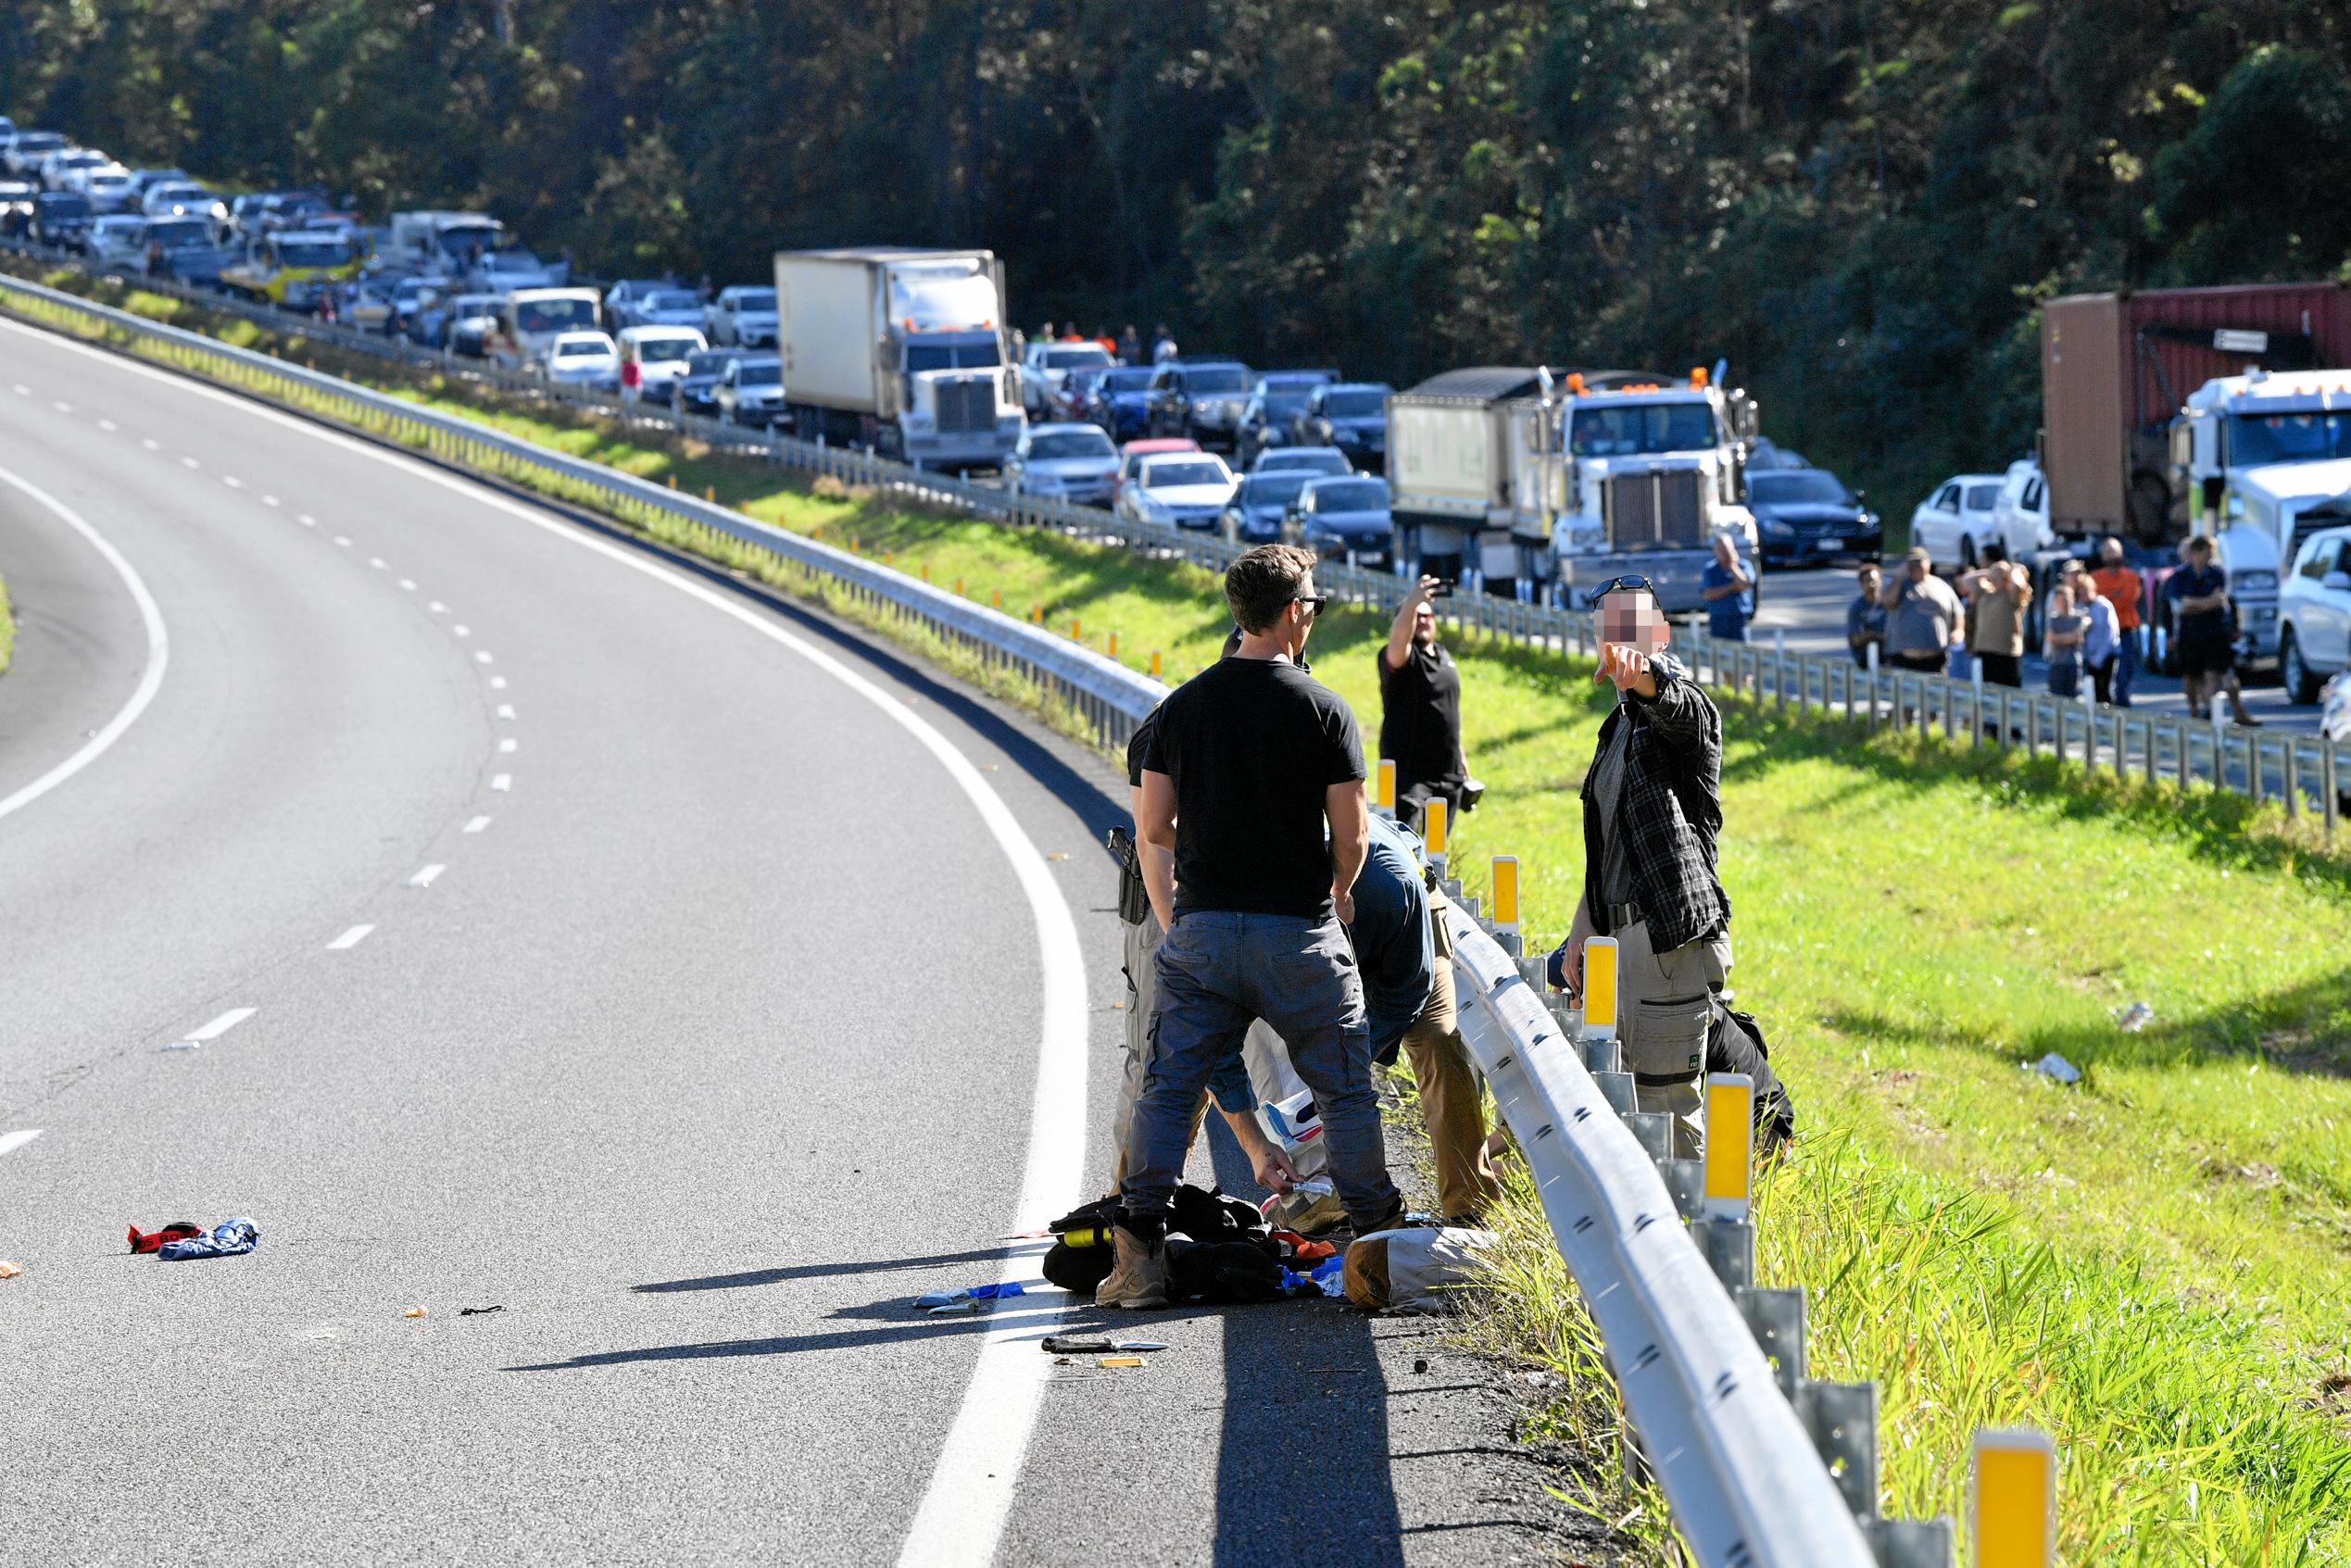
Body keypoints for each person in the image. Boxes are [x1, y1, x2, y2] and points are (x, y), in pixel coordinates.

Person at [1108, 546, 1403, 1307]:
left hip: (1204, 934)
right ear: (1294, 611)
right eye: (1313, 606)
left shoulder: (1181, 708)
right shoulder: (1325, 709)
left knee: (1168, 1094)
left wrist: (1194, 895)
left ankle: (1137, 1260)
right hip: (1298, 934)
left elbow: (1154, 826)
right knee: (1343, 1093)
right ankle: (1374, 1250)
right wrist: (1336, 892)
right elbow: (1354, 837)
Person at [1551, 576, 1732, 1158]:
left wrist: (1650, 681)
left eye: (1632, 628)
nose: (1620, 642)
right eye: (1611, 629)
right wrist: (1583, 929)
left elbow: (1684, 713)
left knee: (1669, 1125)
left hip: (1665, 945)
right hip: (1617, 943)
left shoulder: (1679, 707)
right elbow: (1609, 846)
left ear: (1661, 633)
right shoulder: (1618, 725)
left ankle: (1698, 1244)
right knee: (1621, 1118)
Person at [1113, 671, 1299, 1196]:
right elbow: (1154, 842)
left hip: (1243, 911)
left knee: (1278, 1053)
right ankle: (1127, 1211)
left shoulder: (1281, 716)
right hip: (1166, 911)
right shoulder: (1170, 724)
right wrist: (1180, 940)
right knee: (1161, 1060)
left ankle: (1305, 1197)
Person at [1378, 576, 1467, 833]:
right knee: (1406, 850)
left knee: (1437, 857)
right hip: (1411, 778)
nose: (1423, 620)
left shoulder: (1444, 656)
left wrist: (1460, 756)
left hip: (1447, 776)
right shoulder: (1400, 658)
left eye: (1428, 615)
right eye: (1416, 616)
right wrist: (1413, 601)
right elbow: (1398, 641)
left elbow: (1447, 710)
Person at [2165, 535, 2256, 722]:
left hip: (2215, 631)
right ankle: (2194, 711)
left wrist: (2196, 604)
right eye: (2207, 554)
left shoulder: (2218, 573)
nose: (2210, 558)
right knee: (2191, 678)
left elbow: (2221, 599)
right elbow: (2182, 604)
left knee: (2213, 674)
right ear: (2196, 553)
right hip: (2190, 633)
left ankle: (2212, 713)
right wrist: (2207, 603)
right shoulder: (2180, 576)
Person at [1880, 546, 1962, 674]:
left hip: (1936, 659)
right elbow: (1888, 602)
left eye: (1919, 561)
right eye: (1911, 563)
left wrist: (1958, 630)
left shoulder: (1941, 585)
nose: (1915, 566)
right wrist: (1898, 578)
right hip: (1902, 659)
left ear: (1928, 563)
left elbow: (1957, 611)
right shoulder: (1898, 585)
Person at [1958, 542, 2029, 686]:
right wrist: (1989, 572)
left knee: (2009, 691)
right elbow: (1966, 580)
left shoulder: (2012, 596)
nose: (1997, 577)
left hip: (2007, 652)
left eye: (2000, 575)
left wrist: (2012, 570)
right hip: (1984, 650)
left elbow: (2019, 584)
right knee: (1986, 692)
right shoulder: (1984, 593)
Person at [2089, 537, 2144, 707]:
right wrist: (2114, 597)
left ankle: (2123, 704)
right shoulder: (2094, 578)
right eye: (2108, 551)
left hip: (2125, 631)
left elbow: (2126, 600)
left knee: (2124, 673)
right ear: (2102, 555)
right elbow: (2094, 601)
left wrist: (2107, 599)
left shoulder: (2132, 577)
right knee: (2102, 674)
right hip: (2102, 634)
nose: (2111, 554)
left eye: (2114, 550)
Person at [2065, 561, 2119, 704]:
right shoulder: (2082, 608)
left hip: (2106, 655)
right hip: (2090, 657)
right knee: (2092, 692)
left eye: (2085, 591)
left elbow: (2110, 635)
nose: (2083, 594)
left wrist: (2099, 658)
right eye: (2080, 592)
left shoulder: (2103, 606)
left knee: (2106, 691)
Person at [1700, 533, 1753, 643]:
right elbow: (1708, 594)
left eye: (1726, 548)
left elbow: (1745, 585)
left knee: (1741, 653)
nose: (1723, 552)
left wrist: (1733, 566)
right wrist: (1732, 587)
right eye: (1720, 549)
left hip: (1738, 619)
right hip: (1718, 619)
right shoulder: (1710, 568)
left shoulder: (1744, 565)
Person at [2043, 583, 2084, 697]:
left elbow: (2077, 638)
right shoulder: (2053, 619)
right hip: (2057, 663)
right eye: (2062, 600)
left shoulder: (2078, 618)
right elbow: (2051, 638)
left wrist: (2061, 638)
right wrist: (2068, 637)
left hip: (2073, 663)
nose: (2065, 603)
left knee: (2072, 696)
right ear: (2056, 601)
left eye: (2067, 599)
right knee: (2056, 697)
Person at [1847, 562, 1887, 667]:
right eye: (1868, 581)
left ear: (1880, 581)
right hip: (1864, 655)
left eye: (1875, 581)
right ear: (1861, 584)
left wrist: (1872, 635)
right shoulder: (1857, 607)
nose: (1872, 584)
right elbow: (1856, 639)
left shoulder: (1888, 604)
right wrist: (1877, 636)